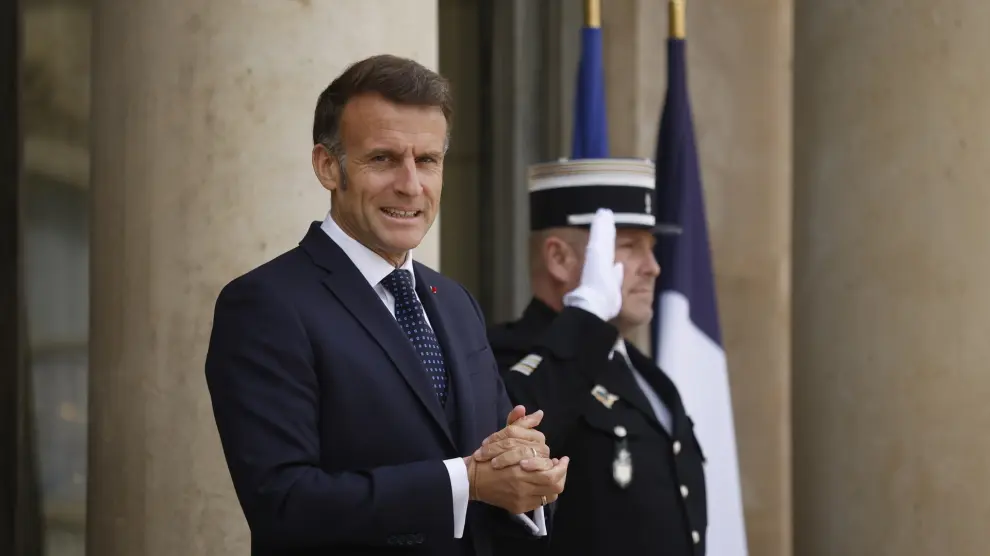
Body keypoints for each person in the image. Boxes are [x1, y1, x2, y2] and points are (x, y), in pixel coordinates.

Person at [205, 54, 568, 556]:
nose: (411, 185)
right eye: (382, 159)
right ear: (328, 166)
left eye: (427, 160)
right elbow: (283, 502)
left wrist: (525, 472)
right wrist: (465, 481)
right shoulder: (265, 305)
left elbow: (490, 478)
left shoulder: (455, 302)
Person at [485, 159, 707, 555]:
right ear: (560, 259)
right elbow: (505, 437)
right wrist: (586, 317)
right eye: (629, 246)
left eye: (652, 248)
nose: (653, 268)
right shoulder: (504, 356)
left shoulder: (647, 375)